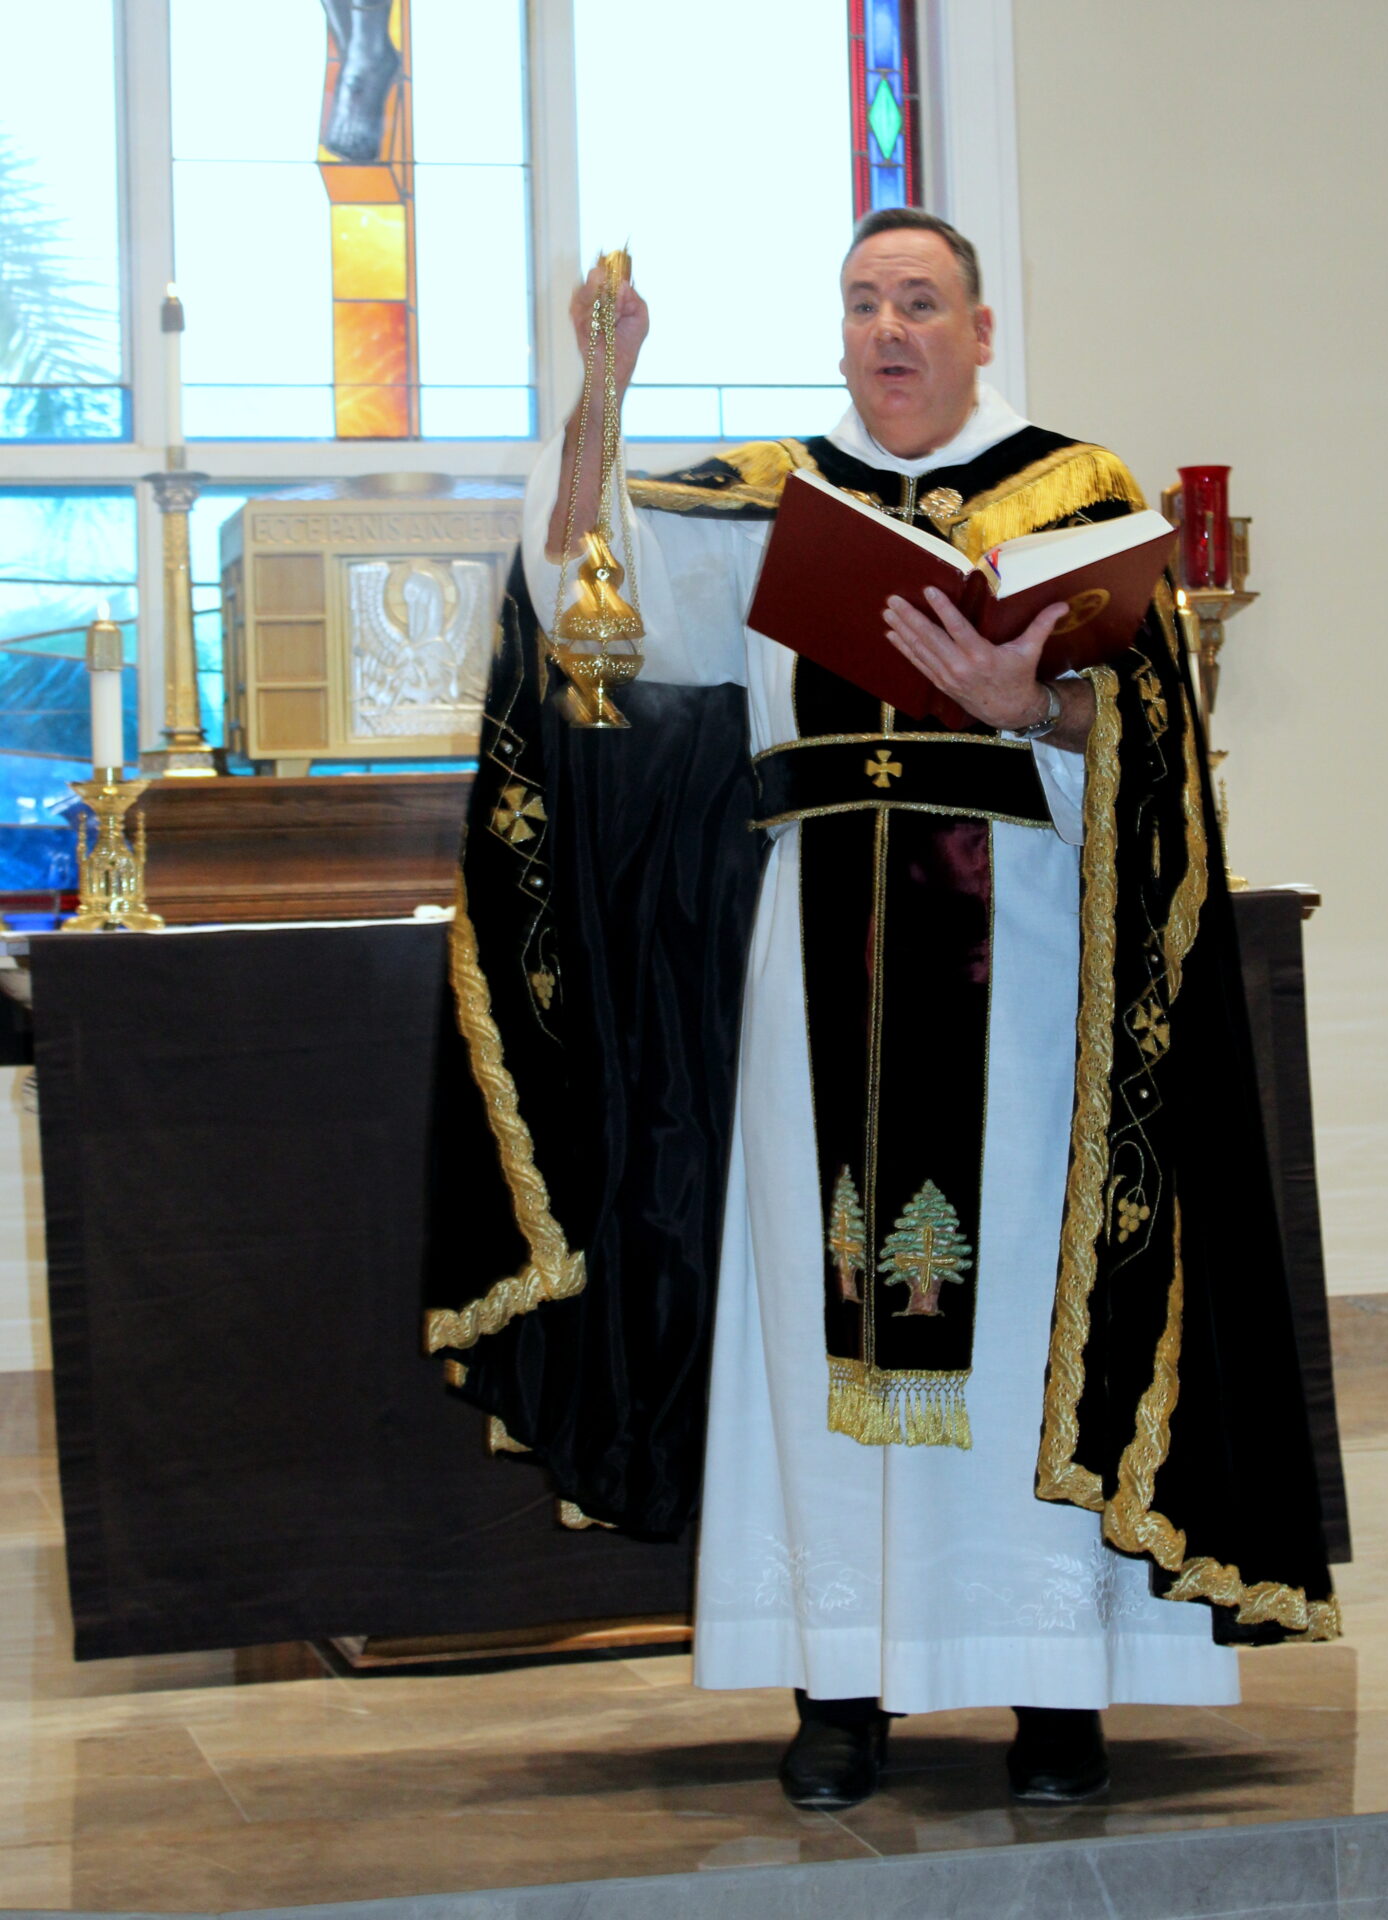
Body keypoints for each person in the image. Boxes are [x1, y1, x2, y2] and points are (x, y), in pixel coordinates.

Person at [423, 209, 1338, 1810]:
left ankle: (1057, 1688)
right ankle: (837, 1684)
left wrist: (1032, 702)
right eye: (862, 305)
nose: (888, 331)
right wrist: (599, 401)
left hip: (1034, 967)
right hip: (817, 971)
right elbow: (588, 611)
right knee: (818, 1309)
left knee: (1015, 1328)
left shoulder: (1078, 493)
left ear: (984, 331)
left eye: (920, 303)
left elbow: (1156, 737)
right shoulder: (777, 505)